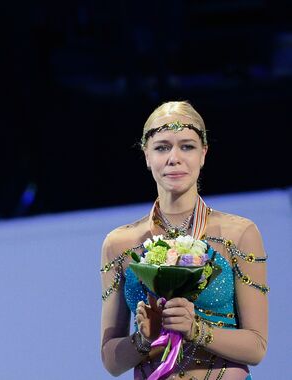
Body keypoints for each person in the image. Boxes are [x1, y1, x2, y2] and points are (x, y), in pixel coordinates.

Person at [100, 101, 268, 379]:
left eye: (187, 146)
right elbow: (111, 360)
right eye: (162, 147)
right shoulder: (119, 244)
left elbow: (257, 347)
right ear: (146, 156)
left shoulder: (239, 234)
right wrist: (143, 339)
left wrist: (196, 329)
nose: (174, 158)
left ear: (203, 154)